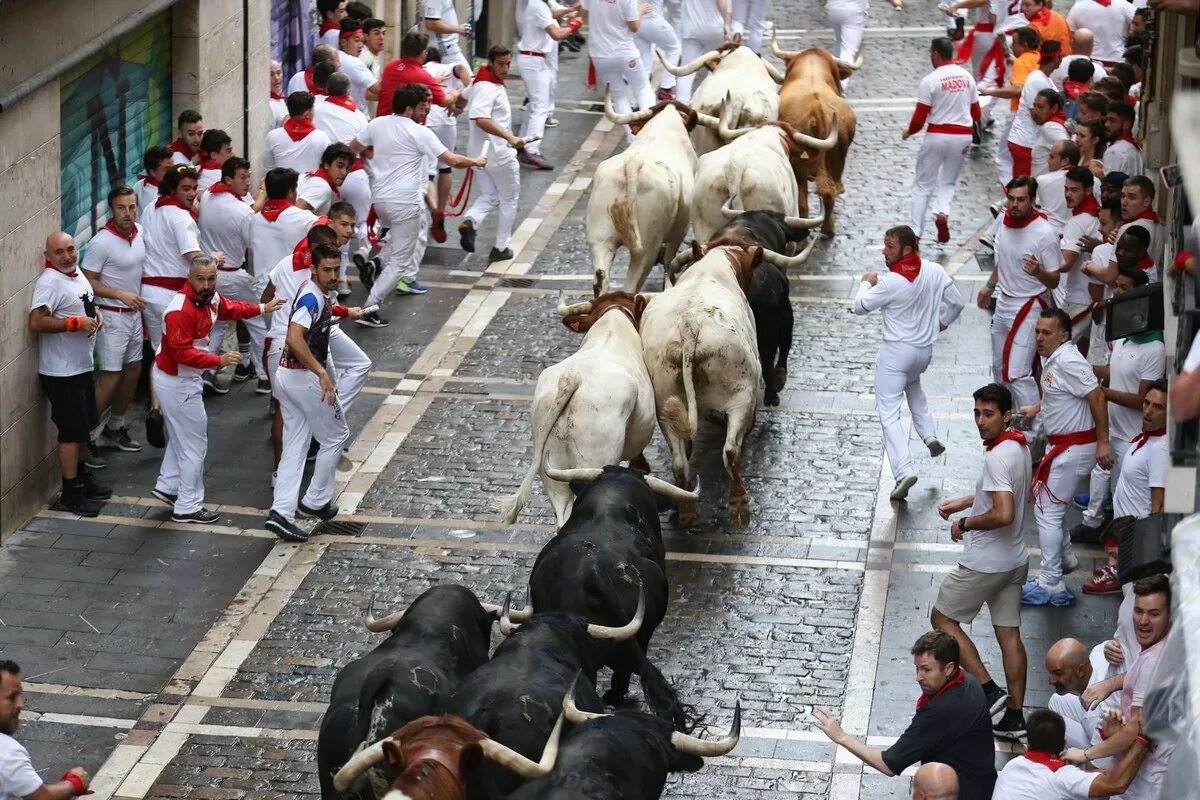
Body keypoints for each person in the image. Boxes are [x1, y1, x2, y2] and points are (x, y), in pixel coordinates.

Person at [152, 256, 282, 523]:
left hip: (179, 379)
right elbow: (181, 353)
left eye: (211, 279)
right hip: (178, 380)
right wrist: (218, 361)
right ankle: (188, 505)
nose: (207, 284)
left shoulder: (208, 299)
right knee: (194, 444)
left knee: (184, 437)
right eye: (201, 279)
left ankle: (168, 486)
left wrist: (261, 308)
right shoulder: (180, 311)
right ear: (190, 278)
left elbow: (230, 308)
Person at [933, 383, 1031, 739]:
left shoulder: (996, 456)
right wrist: (961, 503)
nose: (980, 420)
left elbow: (1003, 513)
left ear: (1006, 415)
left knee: (942, 618)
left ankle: (989, 690)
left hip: (986, 563)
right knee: (1009, 635)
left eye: (988, 414)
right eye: (976, 412)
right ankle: (1016, 717)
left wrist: (965, 522)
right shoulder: (1017, 447)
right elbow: (1000, 495)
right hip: (1015, 559)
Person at [352, 84, 485, 325]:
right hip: (405, 203)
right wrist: (476, 160)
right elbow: (452, 160)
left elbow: (353, 147)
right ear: (409, 108)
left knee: (397, 244)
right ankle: (370, 308)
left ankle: (376, 264)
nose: (424, 112)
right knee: (402, 260)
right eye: (421, 108)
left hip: (381, 201)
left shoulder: (377, 124)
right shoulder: (419, 132)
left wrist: (368, 162)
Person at [812, 631, 997, 800]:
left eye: (927, 670)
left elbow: (889, 764)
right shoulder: (968, 681)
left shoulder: (939, 711)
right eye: (917, 668)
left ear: (948, 669)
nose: (919, 677)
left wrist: (841, 737)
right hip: (982, 784)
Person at [852, 226, 964, 499]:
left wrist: (866, 282)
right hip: (923, 353)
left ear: (906, 250)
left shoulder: (891, 282)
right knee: (913, 387)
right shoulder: (935, 270)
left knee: (889, 412)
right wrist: (941, 324)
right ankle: (929, 435)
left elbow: (859, 307)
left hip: (896, 354)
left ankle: (903, 470)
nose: (884, 250)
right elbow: (958, 303)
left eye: (890, 246)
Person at [265, 244, 363, 542]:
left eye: (336, 269)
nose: (333, 276)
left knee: (295, 443)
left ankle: (281, 512)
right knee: (335, 435)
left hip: (287, 376)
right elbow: (294, 338)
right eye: (327, 270)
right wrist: (321, 373)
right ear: (314, 270)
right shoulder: (310, 297)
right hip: (302, 379)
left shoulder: (317, 293)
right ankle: (315, 500)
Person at [1019, 308, 1113, 607]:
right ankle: (1065, 559)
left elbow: (1095, 396)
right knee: (1051, 507)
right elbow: (1061, 392)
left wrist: (1102, 443)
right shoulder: (1057, 359)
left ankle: (1051, 582)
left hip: (1073, 449)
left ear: (1064, 336)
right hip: (1064, 447)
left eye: (1046, 333)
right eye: (1037, 331)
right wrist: (1037, 408)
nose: (1039, 338)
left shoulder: (1070, 361)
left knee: (1048, 513)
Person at [1063, 575, 1174, 800]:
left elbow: (1138, 728)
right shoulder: (1156, 652)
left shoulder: (1153, 662)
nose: (1143, 621)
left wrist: (1086, 754)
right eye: (1139, 611)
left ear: (1169, 616)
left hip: (1148, 780)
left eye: (1154, 614)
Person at [1074, 271, 1162, 548]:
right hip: (1112, 427)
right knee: (1106, 480)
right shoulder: (1125, 339)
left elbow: (1143, 399)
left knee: (1128, 496)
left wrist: (1104, 393)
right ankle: (1098, 526)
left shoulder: (1155, 349)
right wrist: (1083, 368)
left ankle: (1127, 546)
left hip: (1131, 437)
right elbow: (1115, 370)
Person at [29, 232, 111, 516]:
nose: (67, 256)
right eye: (59, 252)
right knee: (71, 432)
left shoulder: (74, 275)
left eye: (70, 249)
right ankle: (70, 492)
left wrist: (95, 313)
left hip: (81, 367)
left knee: (82, 430)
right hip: (61, 373)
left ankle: (82, 480)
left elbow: (83, 302)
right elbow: (37, 321)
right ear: (48, 256)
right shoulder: (49, 282)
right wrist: (75, 323)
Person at [978, 176, 1063, 410]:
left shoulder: (1044, 232)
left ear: (1033, 200)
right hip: (1004, 302)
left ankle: (1032, 428)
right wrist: (990, 285)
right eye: (1011, 199)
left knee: (1017, 372)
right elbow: (1004, 258)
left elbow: (1054, 279)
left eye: (1021, 200)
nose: (1015, 205)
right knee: (998, 368)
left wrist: (1038, 272)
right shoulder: (1003, 221)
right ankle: (1009, 419)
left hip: (1030, 304)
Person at [199, 156, 271, 393]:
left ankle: (207, 372)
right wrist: (262, 194)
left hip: (210, 276)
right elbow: (253, 240)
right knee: (257, 323)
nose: (247, 181)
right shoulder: (241, 212)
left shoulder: (209, 195)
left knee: (217, 324)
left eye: (249, 176)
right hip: (233, 275)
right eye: (242, 177)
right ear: (228, 179)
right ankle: (264, 376)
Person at [82, 187, 146, 453]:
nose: (127, 213)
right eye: (121, 208)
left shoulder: (140, 233)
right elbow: (87, 281)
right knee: (110, 377)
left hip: (134, 316)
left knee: (133, 371)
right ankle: (86, 437)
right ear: (111, 210)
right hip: (112, 316)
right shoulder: (101, 242)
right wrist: (119, 294)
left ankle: (115, 427)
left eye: (131, 207)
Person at [904, 37, 980, 243]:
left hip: (937, 135)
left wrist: (908, 132)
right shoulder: (967, 77)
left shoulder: (930, 80)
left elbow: (919, 118)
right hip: (962, 136)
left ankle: (916, 231)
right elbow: (976, 112)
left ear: (936, 54)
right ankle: (942, 211)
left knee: (922, 185)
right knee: (947, 181)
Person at [458, 48, 523, 264]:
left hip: (478, 153)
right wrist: (510, 137)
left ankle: (471, 220)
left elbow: (462, 97)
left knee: (490, 195)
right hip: (497, 152)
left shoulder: (480, 81)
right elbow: (481, 118)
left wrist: (456, 107)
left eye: (508, 63)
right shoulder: (487, 87)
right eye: (501, 64)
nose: (505, 68)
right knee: (509, 197)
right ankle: (501, 247)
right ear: (491, 63)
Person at [992, 709, 1149, 798]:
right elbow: (1115, 785)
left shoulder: (1012, 766)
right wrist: (1142, 738)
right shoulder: (1063, 777)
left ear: (1028, 745)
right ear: (1063, 745)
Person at [0, 660, 93, 800]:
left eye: (19, 695)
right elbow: (42, 798)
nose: (20, 704)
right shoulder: (7, 753)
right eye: (11, 697)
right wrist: (74, 783)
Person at [517, 0, 582, 171]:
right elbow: (557, 34)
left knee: (534, 105)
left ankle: (522, 144)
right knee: (540, 107)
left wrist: (572, 9)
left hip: (536, 59)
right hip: (533, 60)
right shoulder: (538, 4)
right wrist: (574, 25)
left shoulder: (542, 4)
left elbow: (552, 14)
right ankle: (531, 150)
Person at [580, 0, 656, 130]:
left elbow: (583, 15)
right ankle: (649, 132)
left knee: (618, 95)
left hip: (600, 54)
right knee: (643, 89)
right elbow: (634, 26)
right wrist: (640, 11)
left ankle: (631, 137)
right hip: (625, 52)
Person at [1054, 164, 1102, 342]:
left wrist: (1042, 258)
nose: (1068, 194)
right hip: (1094, 298)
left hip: (1079, 301)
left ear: (1089, 190)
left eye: (1074, 190)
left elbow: (1065, 263)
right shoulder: (1098, 215)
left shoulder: (1078, 222)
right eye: (1066, 189)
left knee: (1054, 348)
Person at [1004, 42, 1063, 180]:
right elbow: (1036, 115)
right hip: (1025, 142)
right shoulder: (1036, 80)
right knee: (1024, 185)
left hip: (1030, 141)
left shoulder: (1045, 78)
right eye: (1061, 56)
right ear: (1056, 58)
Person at [251, 168, 319, 283]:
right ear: (291, 192)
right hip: (291, 289)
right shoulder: (305, 218)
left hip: (262, 291)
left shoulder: (254, 220)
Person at [377, 32, 451, 117]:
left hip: (381, 122)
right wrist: (455, 93)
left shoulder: (390, 66)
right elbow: (445, 101)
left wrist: (433, 81)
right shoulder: (424, 77)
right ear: (424, 53)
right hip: (407, 126)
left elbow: (405, 79)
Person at [263, 92, 334, 173]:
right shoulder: (322, 138)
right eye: (313, 109)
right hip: (312, 185)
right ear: (307, 114)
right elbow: (328, 168)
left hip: (281, 184)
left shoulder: (272, 136)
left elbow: (268, 168)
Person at [675, 0, 730, 103]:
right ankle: (709, 101)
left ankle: (681, 105)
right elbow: (721, 2)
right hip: (713, 28)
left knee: (687, 70)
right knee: (715, 67)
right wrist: (726, 23)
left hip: (690, 27)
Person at [636, 0, 683, 101]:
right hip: (652, 18)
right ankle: (666, 88)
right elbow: (674, 3)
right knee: (674, 48)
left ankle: (640, 98)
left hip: (637, 20)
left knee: (644, 62)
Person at [422, 0, 474, 87]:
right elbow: (431, 24)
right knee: (471, 85)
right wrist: (459, 29)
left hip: (446, 48)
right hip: (444, 50)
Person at [1067, 0, 1134, 65]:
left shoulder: (1078, 7)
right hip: (1117, 61)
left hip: (1088, 63)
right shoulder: (1123, 5)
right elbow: (1142, 22)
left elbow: (1069, 36)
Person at [297, 142, 355, 216]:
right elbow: (296, 213)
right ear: (326, 164)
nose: (344, 173)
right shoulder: (322, 186)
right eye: (340, 166)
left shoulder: (315, 178)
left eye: (347, 168)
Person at [1035, 140, 1081, 231]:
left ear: (1065, 161)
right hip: (1076, 235)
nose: (1048, 161)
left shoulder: (1042, 180)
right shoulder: (1094, 181)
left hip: (1049, 233)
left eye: (1052, 157)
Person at [336, 18, 382, 110]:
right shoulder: (352, 62)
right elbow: (378, 89)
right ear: (343, 42)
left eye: (362, 41)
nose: (361, 45)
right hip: (354, 115)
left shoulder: (336, 56)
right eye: (356, 41)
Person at [314, 73, 369, 145]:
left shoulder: (313, 103)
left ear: (327, 89)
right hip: (345, 154)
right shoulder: (360, 117)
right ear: (348, 92)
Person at [1030, 88, 1070, 176]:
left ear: (1054, 108)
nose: (1035, 111)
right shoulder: (1055, 124)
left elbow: (1069, 149)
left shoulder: (1050, 127)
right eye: (1034, 106)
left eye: (1040, 107)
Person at [1102, 102, 1144, 177]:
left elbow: (1109, 186)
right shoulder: (1136, 148)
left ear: (1126, 125)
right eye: (1107, 120)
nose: (1106, 124)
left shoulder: (1114, 151)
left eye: (1112, 121)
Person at [134, 145, 174, 211]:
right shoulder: (157, 200)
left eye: (173, 167)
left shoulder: (139, 184)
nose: (173, 172)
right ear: (153, 172)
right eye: (167, 169)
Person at [269, 60, 287, 128]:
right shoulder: (268, 105)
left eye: (278, 73)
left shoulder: (280, 97)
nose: (276, 78)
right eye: (271, 74)